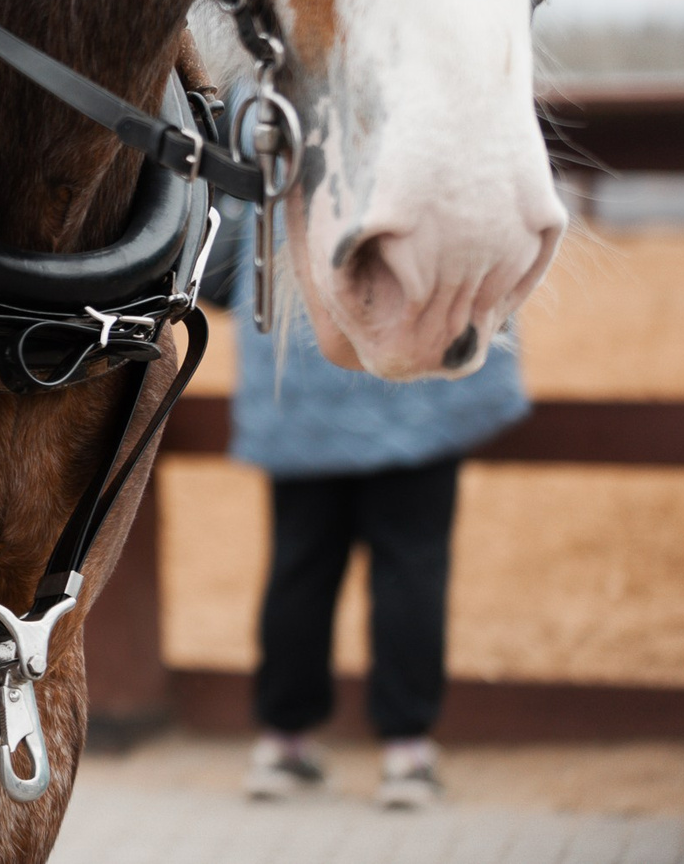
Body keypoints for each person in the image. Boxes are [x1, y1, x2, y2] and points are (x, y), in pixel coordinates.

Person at [217, 146, 530, 809]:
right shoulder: (429, 97)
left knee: (300, 563)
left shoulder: (269, 95)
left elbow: (229, 202)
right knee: (412, 563)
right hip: (414, 369)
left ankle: (283, 740)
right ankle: (406, 752)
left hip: (298, 373)